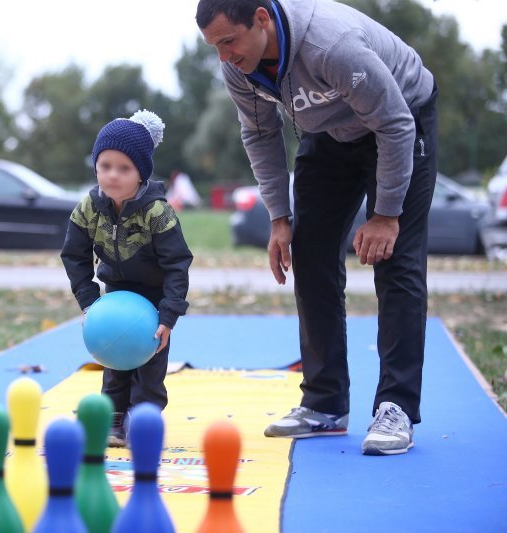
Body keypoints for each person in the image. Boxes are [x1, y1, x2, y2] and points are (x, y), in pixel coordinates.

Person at [197, 0, 437, 455]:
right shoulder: (238, 67)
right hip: (329, 133)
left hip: (401, 119)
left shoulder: (332, 44)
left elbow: (395, 124)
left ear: (262, 19)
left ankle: (396, 406)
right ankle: (325, 404)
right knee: (310, 253)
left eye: (229, 41)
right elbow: (261, 134)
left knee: (397, 260)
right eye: (214, 47)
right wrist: (278, 219)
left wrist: (385, 215)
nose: (224, 57)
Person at [60, 110, 193, 447]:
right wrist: (89, 302)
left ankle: (144, 419)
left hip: (154, 295)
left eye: (124, 168)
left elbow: (178, 262)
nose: (113, 176)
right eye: (105, 166)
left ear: (141, 172)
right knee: (115, 357)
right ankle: (113, 419)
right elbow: (74, 255)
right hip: (116, 293)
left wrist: (169, 315)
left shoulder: (157, 211)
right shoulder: (89, 207)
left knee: (149, 363)